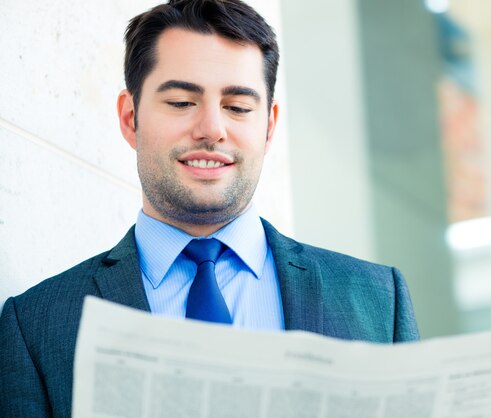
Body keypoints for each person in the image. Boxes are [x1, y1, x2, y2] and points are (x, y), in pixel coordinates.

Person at [0, 0, 419, 416]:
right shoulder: (36, 324)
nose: (212, 130)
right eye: (182, 102)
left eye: (237, 107)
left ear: (269, 126)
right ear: (130, 118)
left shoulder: (380, 302)